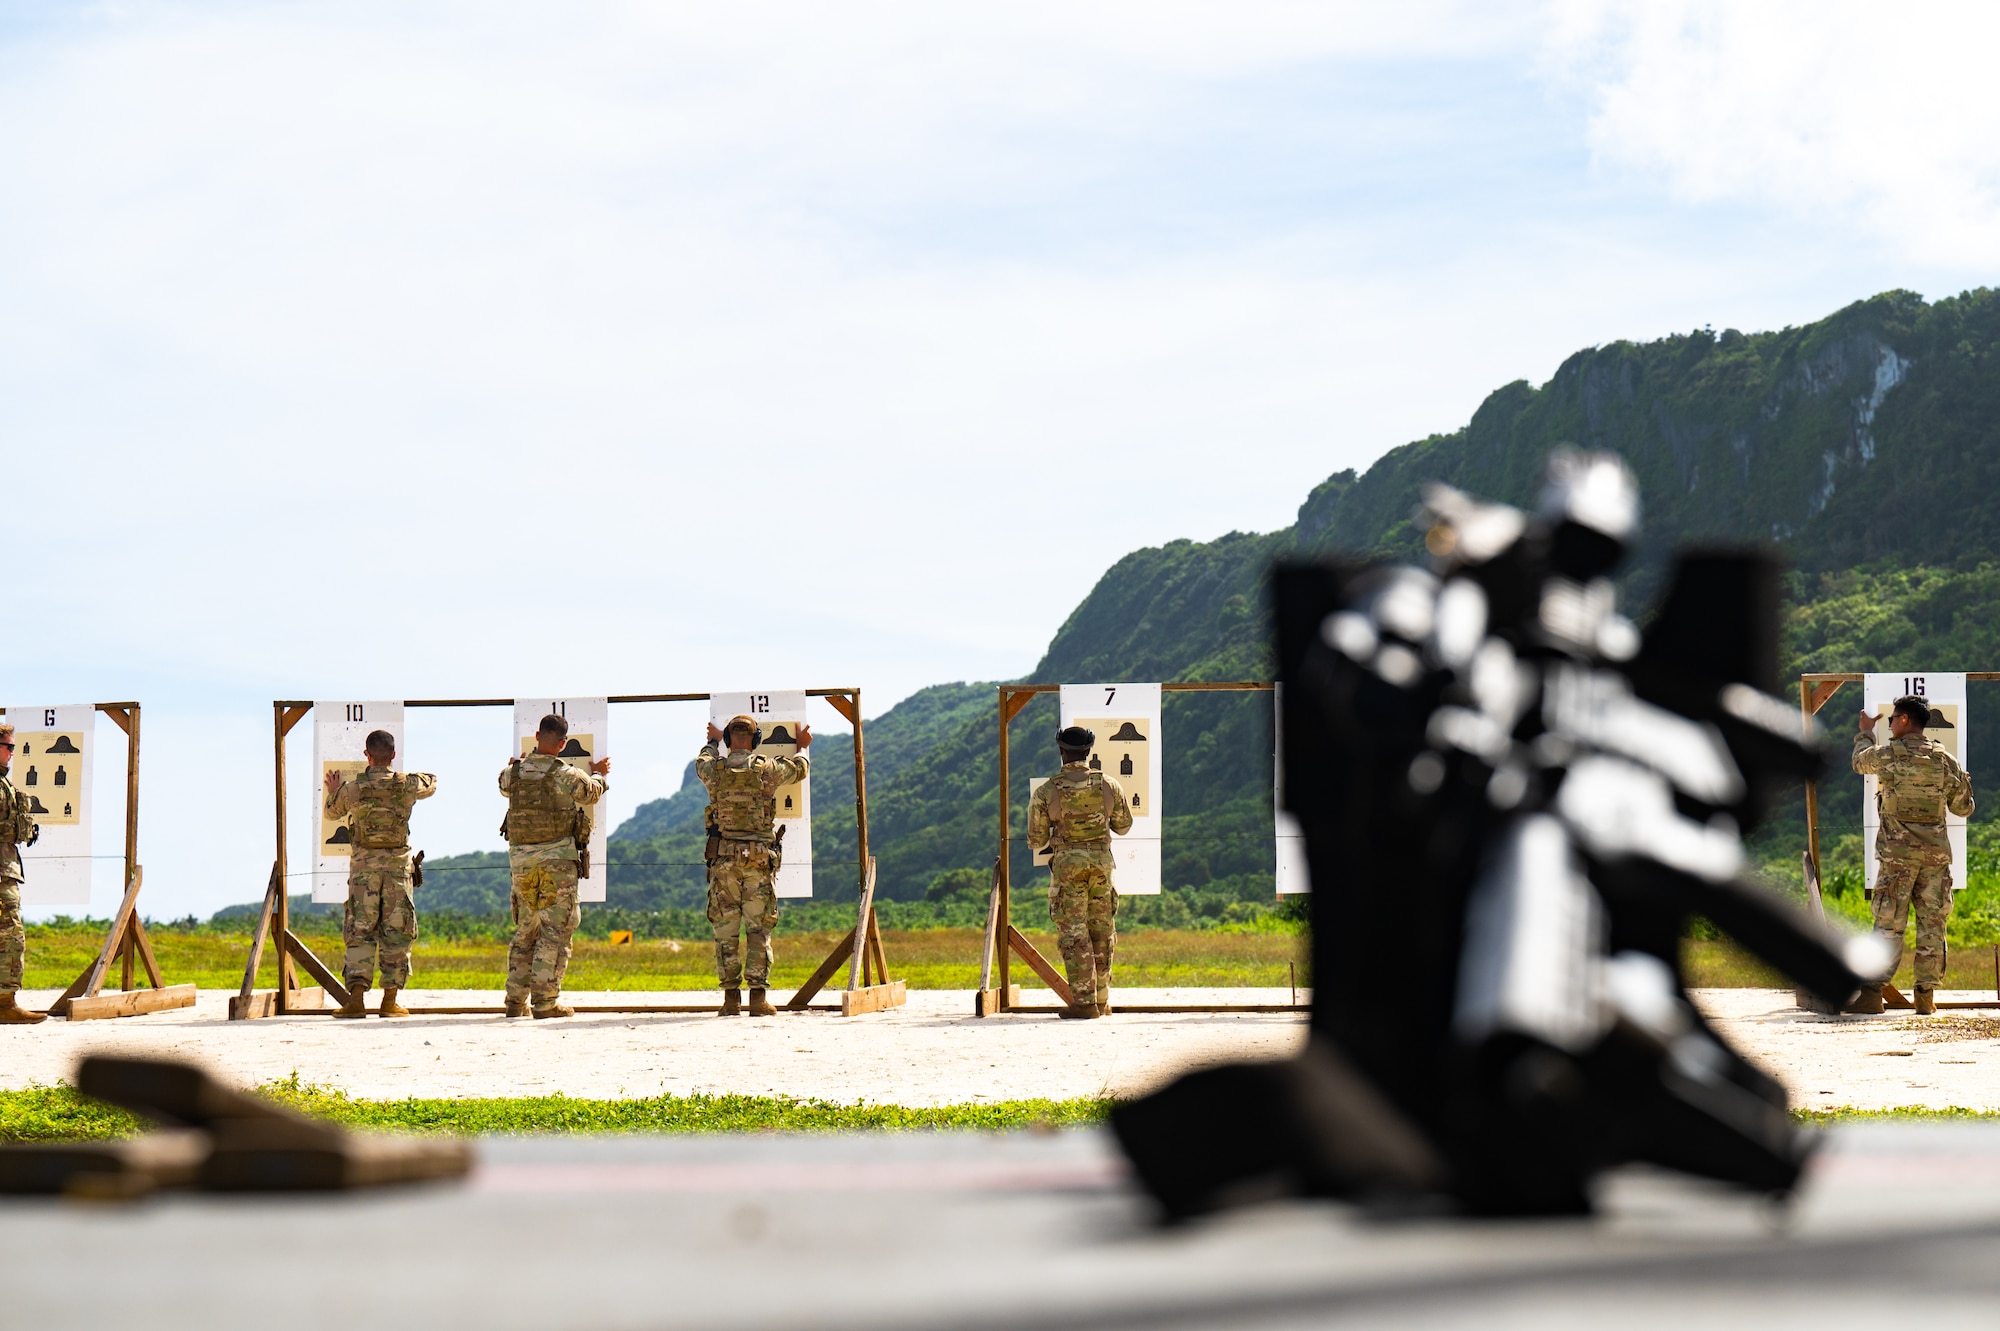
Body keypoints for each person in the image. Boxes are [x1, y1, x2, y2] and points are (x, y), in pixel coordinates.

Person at [1852, 695, 1975, 1015]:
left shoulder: (1889, 754)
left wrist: (1865, 731)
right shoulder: (1944, 760)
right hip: (1934, 860)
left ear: (1905, 720)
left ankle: (1871, 996)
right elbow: (1964, 808)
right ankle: (1925, 998)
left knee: (1888, 924)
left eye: (1893, 718)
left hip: (1898, 858)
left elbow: (1859, 762)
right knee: (1932, 924)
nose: (1890, 723)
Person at [697, 714, 811, 1016]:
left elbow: (702, 760)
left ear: (728, 740)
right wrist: (802, 746)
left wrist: (713, 741)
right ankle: (758, 998)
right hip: (758, 861)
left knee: (725, 930)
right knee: (759, 929)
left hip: (723, 863)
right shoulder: (767, 769)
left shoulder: (714, 769)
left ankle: (731, 999)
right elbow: (800, 769)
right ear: (756, 739)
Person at [499, 713, 610, 1019]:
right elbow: (590, 792)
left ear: (537, 735)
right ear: (562, 743)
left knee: (526, 930)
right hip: (556, 865)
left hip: (521, 863)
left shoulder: (514, 772)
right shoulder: (566, 774)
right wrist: (600, 774)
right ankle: (546, 1003)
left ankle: (515, 1000)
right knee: (555, 932)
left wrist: (515, 764)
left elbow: (503, 782)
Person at [322, 730, 437, 1018]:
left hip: (364, 873)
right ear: (394, 756)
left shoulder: (353, 789)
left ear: (366, 755)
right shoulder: (407, 784)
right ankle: (389, 1002)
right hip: (398, 872)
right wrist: (404, 776)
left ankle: (356, 1001)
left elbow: (330, 812)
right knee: (397, 934)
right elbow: (432, 782)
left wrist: (333, 789)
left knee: (360, 933)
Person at [1027, 725, 1133, 1019]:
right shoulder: (1109, 785)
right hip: (1101, 864)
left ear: (1061, 751)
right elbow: (1123, 826)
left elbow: (1036, 840)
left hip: (1068, 868)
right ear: (1089, 751)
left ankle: (1084, 1003)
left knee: (1074, 934)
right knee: (1102, 930)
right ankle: (1101, 1001)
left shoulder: (1047, 791)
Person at [0, 724, 44, 1025]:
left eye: (14, 747)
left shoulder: (4, 783)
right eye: (8, 746)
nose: (13, 752)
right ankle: (5, 1003)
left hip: (6, 867)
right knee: (10, 934)